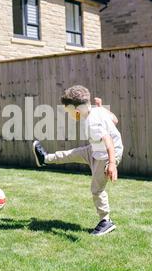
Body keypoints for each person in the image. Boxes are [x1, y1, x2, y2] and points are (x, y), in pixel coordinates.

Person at [32, 85, 123, 236]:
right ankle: (44, 159)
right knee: (72, 154)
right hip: (96, 149)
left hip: (106, 156)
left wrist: (112, 163)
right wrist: (102, 108)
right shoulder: (96, 110)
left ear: (76, 111)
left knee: (97, 189)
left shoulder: (92, 123)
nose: (69, 115)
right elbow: (115, 120)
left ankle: (105, 221)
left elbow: (108, 142)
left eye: (68, 112)